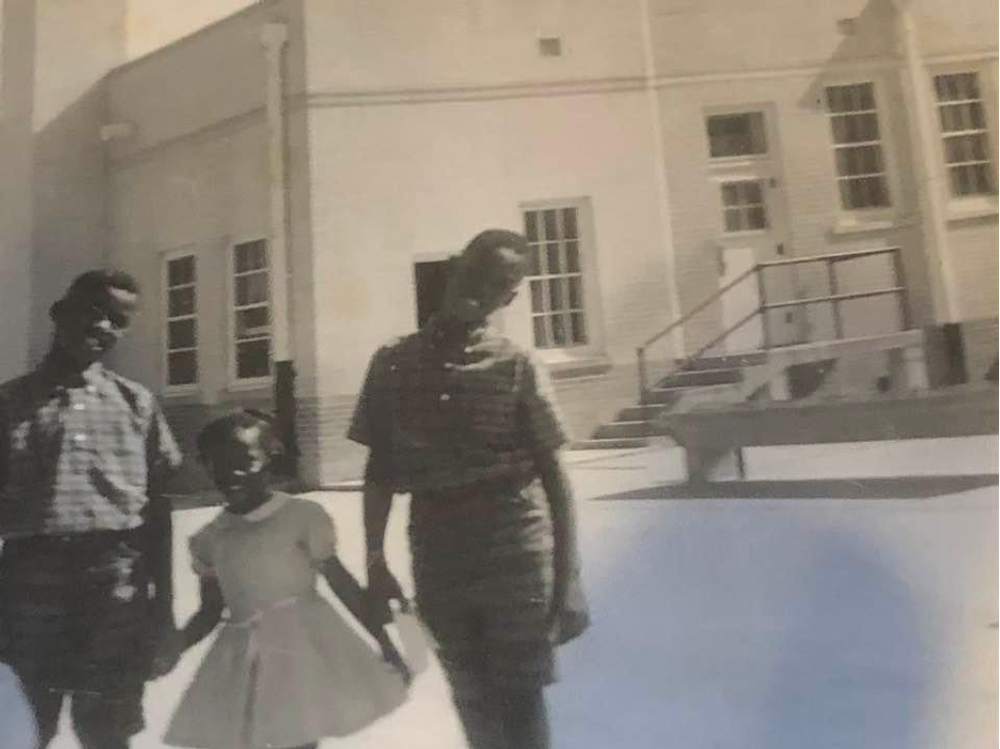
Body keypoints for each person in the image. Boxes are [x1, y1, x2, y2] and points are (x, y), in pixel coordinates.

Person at [349, 228, 590, 749]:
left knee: (521, 696)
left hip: (515, 548)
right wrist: (374, 561)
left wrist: (567, 578)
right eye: (477, 272)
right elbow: (380, 473)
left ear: (510, 296)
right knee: (469, 693)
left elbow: (554, 477)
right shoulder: (392, 362)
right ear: (455, 266)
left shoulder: (517, 364)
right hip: (437, 551)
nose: (482, 289)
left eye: (500, 283)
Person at [0, 269, 183, 749]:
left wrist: (163, 610)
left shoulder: (136, 404)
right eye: (93, 312)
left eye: (118, 322)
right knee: (23, 726)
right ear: (60, 313)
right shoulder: (9, 404)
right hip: (28, 591)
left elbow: (158, 514)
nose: (103, 328)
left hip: (114, 588)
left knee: (107, 729)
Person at [164, 410, 410, 749]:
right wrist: (174, 646)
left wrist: (384, 642)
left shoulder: (300, 517)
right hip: (242, 657)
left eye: (244, 460)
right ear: (204, 465)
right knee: (244, 737)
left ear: (269, 458)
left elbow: (342, 584)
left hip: (299, 649)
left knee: (298, 737)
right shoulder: (209, 539)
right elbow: (210, 611)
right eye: (218, 463)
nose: (231, 473)